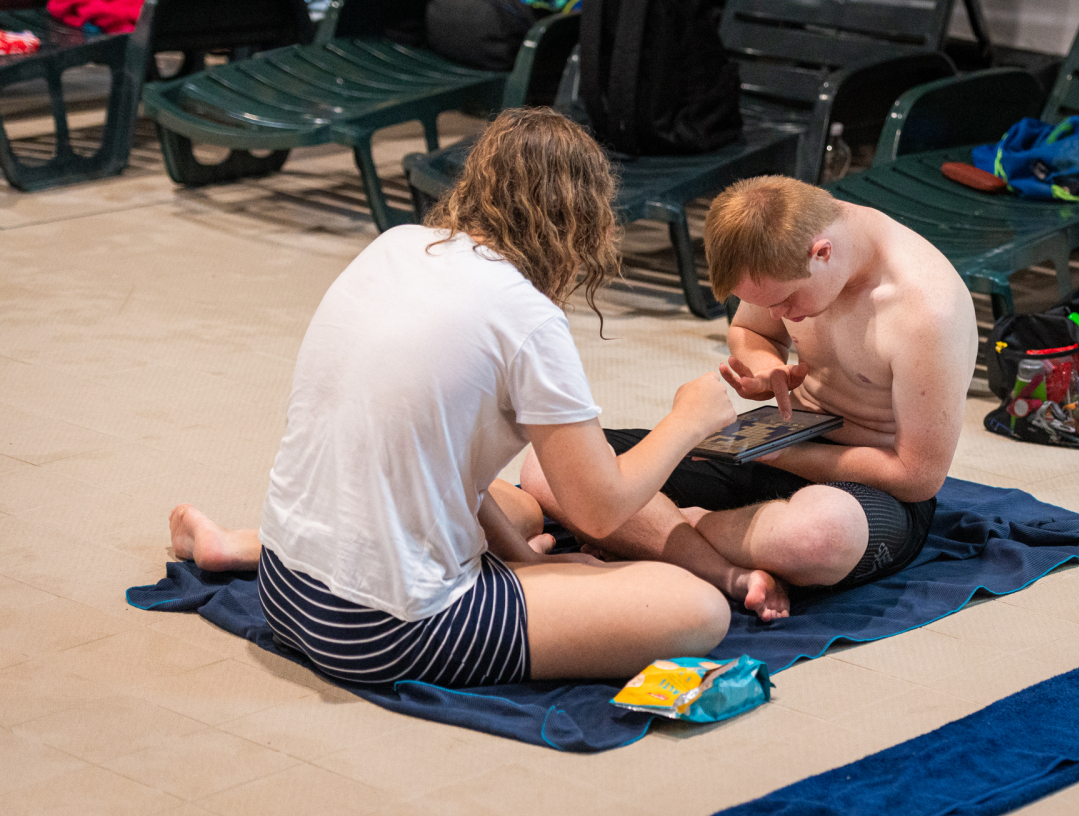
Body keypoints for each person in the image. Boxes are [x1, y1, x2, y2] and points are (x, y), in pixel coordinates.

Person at [167, 107, 743, 687]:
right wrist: (688, 421)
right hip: (377, 629)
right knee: (697, 609)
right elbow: (598, 508)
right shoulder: (527, 317)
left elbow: (448, 465)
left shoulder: (396, 244)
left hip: (284, 588)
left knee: (521, 506)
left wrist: (524, 558)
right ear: (583, 222)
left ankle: (245, 546)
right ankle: (498, 593)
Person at [521, 175, 978, 620]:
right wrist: (764, 364)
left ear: (822, 253)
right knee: (547, 465)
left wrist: (785, 456)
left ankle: (664, 529)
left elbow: (917, 477)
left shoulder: (925, 311)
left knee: (819, 537)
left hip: (871, 481)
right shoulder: (783, 247)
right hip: (778, 437)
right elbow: (750, 330)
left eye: (786, 301)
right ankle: (714, 556)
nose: (778, 314)